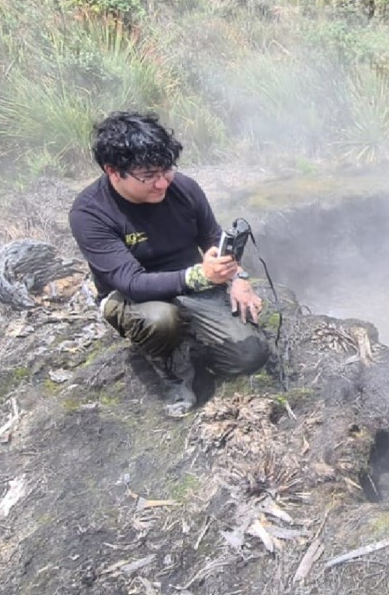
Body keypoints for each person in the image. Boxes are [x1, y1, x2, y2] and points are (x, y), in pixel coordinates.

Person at [69, 111, 270, 417]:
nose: (162, 183)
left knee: (249, 356)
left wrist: (238, 278)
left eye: (167, 170)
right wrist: (201, 276)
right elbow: (131, 282)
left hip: (192, 288)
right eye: (148, 176)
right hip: (135, 297)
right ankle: (173, 375)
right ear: (113, 171)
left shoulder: (184, 189)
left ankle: (190, 339)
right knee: (161, 320)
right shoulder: (91, 213)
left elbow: (213, 237)